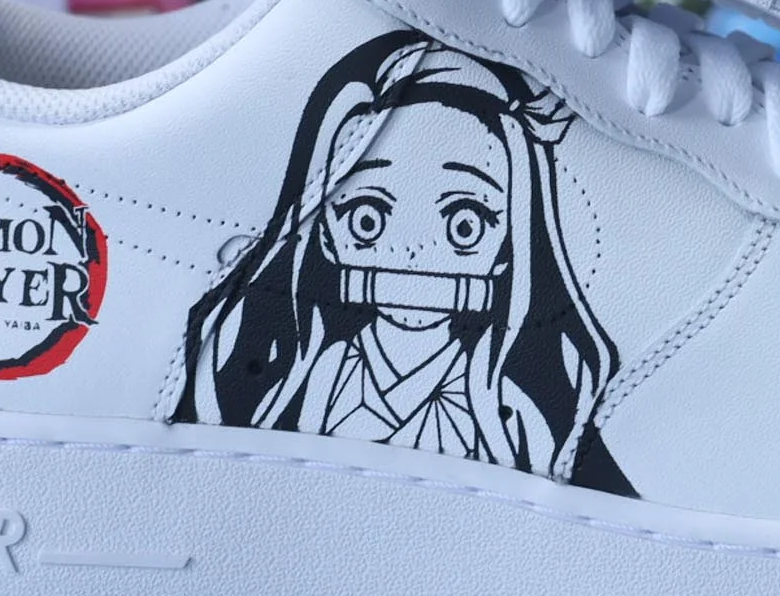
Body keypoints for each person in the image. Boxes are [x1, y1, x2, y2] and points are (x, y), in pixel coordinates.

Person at [178, 29, 629, 492]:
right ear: (324, 233)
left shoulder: (512, 412)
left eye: (466, 224)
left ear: (511, 244)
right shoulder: (308, 379)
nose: (414, 255)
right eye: (366, 219)